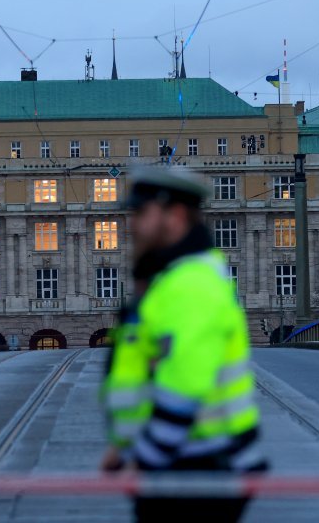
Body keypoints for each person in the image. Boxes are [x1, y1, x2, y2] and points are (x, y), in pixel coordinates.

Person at [101, 165, 266, 522]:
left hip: (201, 468)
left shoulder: (192, 284)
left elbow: (184, 385)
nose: (132, 225)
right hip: (187, 462)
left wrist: (145, 459)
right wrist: (124, 444)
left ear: (174, 215)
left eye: (142, 213)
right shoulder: (174, 278)